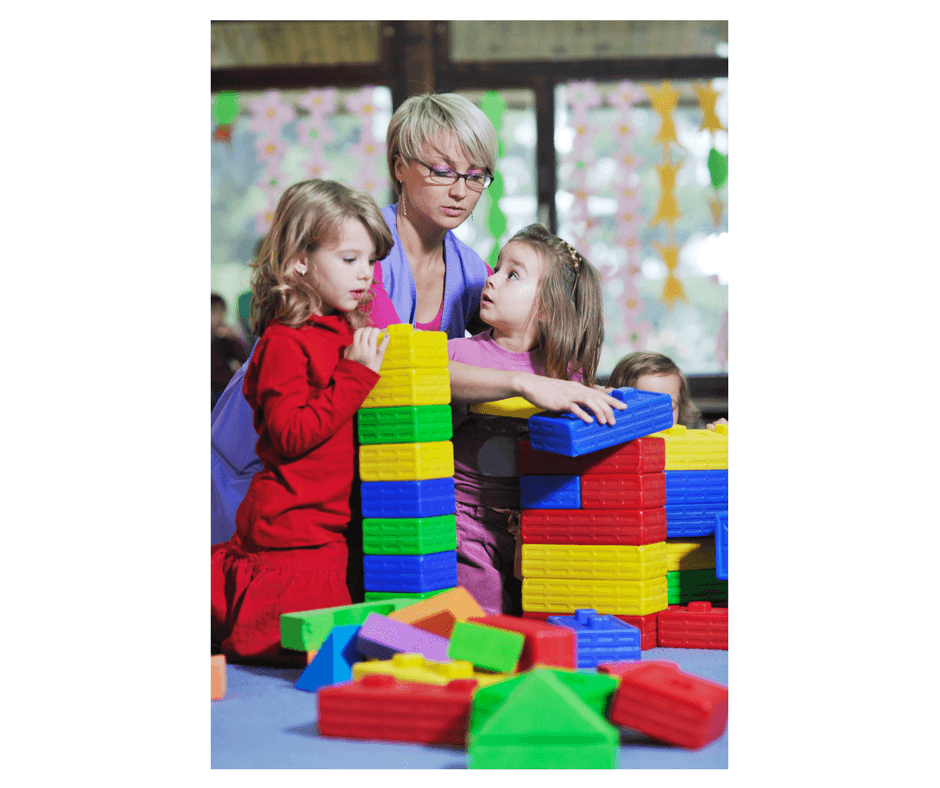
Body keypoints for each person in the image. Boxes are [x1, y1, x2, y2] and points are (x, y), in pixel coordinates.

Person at [211, 179, 393, 664]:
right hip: (287, 531)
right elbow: (290, 434)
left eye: (371, 262)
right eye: (350, 260)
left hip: (327, 531)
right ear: (299, 261)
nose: (366, 275)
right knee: (278, 648)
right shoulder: (284, 342)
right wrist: (356, 375)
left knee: (331, 645)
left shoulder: (344, 330)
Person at [449, 224, 605, 616]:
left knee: (539, 621)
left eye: (512, 274)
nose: (492, 279)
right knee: (482, 622)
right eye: (497, 268)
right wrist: (519, 384)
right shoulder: (462, 352)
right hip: (465, 522)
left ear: (548, 307)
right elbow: (431, 374)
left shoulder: (565, 373)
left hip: (534, 527)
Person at [607, 351, 728, 430]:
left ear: (680, 408)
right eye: (643, 408)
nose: (657, 419)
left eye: (667, 408)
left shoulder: (691, 433)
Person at [211, 293, 249, 408]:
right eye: (214, 312)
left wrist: (233, 338)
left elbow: (244, 360)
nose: (219, 318)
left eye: (221, 313)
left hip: (224, 390)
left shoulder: (224, 338)